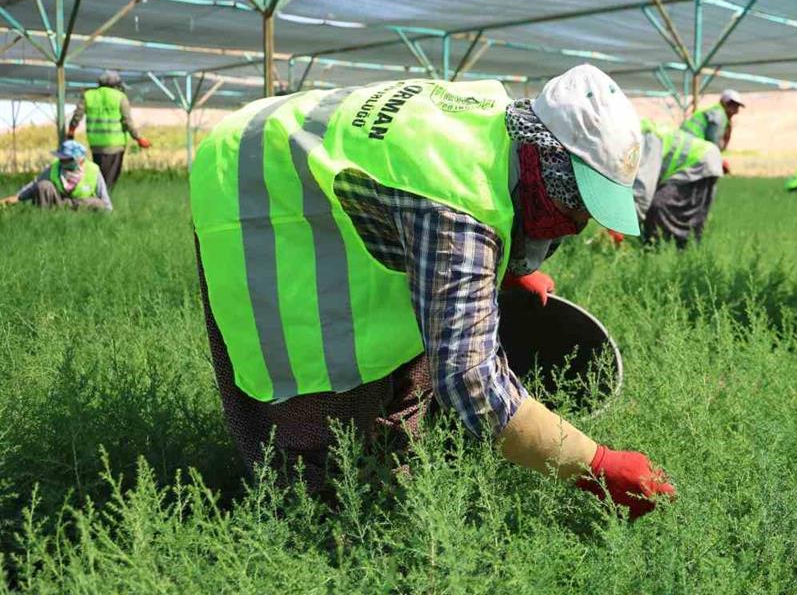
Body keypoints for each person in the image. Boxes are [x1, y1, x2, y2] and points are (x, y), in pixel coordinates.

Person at [190, 65, 675, 519]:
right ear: (541, 154)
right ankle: (309, 523)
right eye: (577, 199)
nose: (579, 222)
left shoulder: (498, 120)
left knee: (413, 361)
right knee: (316, 416)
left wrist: (503, 265)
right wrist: (597, 465)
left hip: (325, 172)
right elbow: (471, 381)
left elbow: (474, 209)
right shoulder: (455, 211)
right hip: (255, 188)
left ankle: (387, 482)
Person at [632, 119, 723, 248]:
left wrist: (622, 225)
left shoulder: (647, 138)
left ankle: (665, 254)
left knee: (658, 208)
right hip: (695, 164)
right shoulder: (636, 136)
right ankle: (659, 253)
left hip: (699, 164)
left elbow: (643, 189)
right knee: (660, 216)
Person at [66, 70, 151, 190]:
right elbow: (127, 121)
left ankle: (97, 200)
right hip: (115, 145)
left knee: (98, 175)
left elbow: (77, 116)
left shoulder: (89, 95)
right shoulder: (120, 97)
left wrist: (71, 131)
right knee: (110, 180)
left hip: (96, 144)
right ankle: (104, 203)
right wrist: (139, 138)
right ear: (117, 84)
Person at [0, 140, 112, 211]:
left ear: (78, 159)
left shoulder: (93, 170)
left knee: (98, 204)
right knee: (43, 185)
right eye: (61, 158)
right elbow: (35, 184)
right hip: (58, 204)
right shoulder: (55, 167)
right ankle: (44, 219)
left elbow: (105, 200)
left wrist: (109, 215)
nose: (62, 161)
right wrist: (18, 197)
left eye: (66, 159)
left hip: (80, 206)